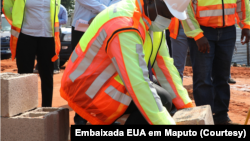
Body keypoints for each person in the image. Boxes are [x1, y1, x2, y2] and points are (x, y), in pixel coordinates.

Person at [60, 0, 193, 125]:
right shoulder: (124, 25)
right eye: (166, 13)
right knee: (162, 99)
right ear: (151, 1)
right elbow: (138, 83)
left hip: (110, 82)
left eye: (172, 17)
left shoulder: (152, 22)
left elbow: (165, 68)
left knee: (164, 95)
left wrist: (188, 108)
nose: (168, 20)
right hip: (88, 90)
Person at [181, 0, 250, 125]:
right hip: (202, 31)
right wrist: (197, 34)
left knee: (222, 77)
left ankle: (221, 117)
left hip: (228, 31)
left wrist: (246, 25)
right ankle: (205, 120)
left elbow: (243, 2)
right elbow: (185, 8)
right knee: (202, 77)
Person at [71, 0, 121, 125]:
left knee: (105, 72)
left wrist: (103, 15)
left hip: (107, 27)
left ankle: (104, 115)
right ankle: (81, 116)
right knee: (82, 73)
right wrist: (104, 11)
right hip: (82, 28)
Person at [3, 0, 61, 107]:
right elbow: (8, 8)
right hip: (25, 36)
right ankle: (25, 108)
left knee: (47, 75)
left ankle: (47, 109)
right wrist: (17, 20)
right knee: (24, 74)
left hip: (47, 37)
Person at [34, 4, 68, 74]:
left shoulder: (62, 8)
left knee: (55, 48)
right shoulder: (45, 6)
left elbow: (65, 21)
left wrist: (53, 20)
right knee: (41, 47)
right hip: (44, 29)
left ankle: (56, 68)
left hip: (56, 30)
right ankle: (38, 67)